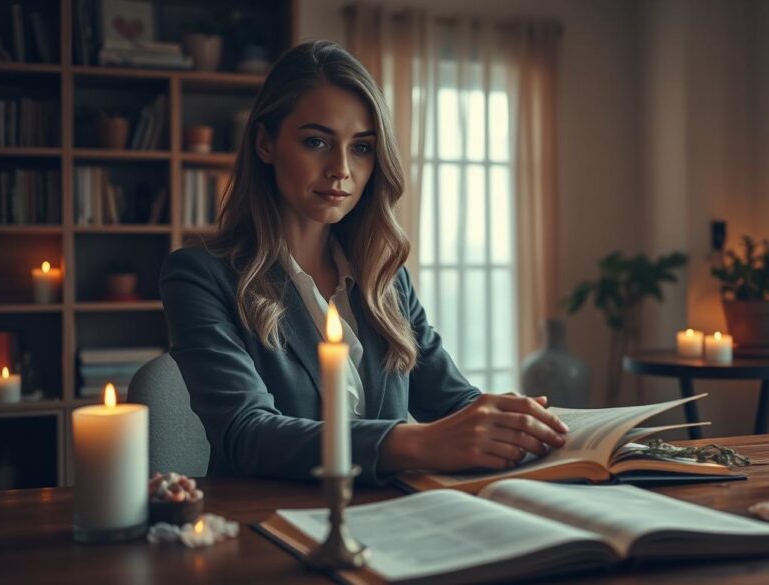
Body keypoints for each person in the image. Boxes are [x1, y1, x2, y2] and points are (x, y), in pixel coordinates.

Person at [160, 40, 568, 485]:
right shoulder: (201, 276)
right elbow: (247, 434)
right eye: (316, 142)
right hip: (270, 526)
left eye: (361, 148)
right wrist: (421, 442)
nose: (341, 169)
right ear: (265, 144)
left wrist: (516, 421)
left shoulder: (384, 279)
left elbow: (453, 403)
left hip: (396, 521)